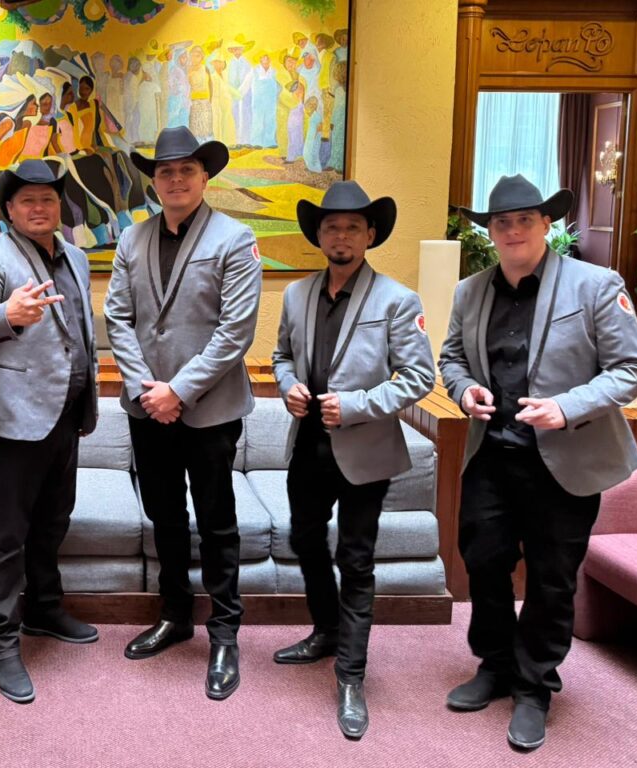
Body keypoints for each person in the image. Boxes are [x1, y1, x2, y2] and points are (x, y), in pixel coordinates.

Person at [439, 174, 637, 750]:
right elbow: (451, 358)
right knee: (483, 562)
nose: (512, 231)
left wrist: (565, 406)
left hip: (565, 461)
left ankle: (535, 685)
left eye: (524, 220)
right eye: (501, 222)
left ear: (546, 224)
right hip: (492, 455)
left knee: (552, 578)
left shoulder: (596, 284)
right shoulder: (469, 291)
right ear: (489, 231)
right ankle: (495, 664)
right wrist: (463, 391)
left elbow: (632, 369)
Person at [271, 180, 434, 738]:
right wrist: (288, 385)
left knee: (356, 559)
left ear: (370, 235)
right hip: (307, 447)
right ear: (319, 236)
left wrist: (358, 405)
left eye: (352, 227)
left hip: (365, 451)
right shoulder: (296, 295)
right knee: (304, 541)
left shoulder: (397, 299)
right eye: (331, 227)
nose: (340, 235)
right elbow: (281, 356)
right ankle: (326, 631)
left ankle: (351, 674)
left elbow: (419, 377)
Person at [105, 126, 262, 700]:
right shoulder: (132, 238)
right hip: (147, 407)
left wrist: (180, 390)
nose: (175, 179)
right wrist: (147, 388)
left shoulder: (236, 238)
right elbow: (117, 318)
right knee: (165, 516)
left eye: (186, 170)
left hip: (209, 409)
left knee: (218, 522)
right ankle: (175, 615)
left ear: (204, 177)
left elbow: (235, 331)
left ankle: (224, 633)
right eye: (165, 171)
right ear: (154, 181)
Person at [0, 159, 99, 704]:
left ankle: (44, 609)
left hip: (66, 415)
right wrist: (9, 314)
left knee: (52, 523)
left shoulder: (76, 257)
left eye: (48, 199)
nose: (39, 208)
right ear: (7, 210)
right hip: (11, 421)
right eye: (27, 201)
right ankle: (2, 640)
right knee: (6, 538)